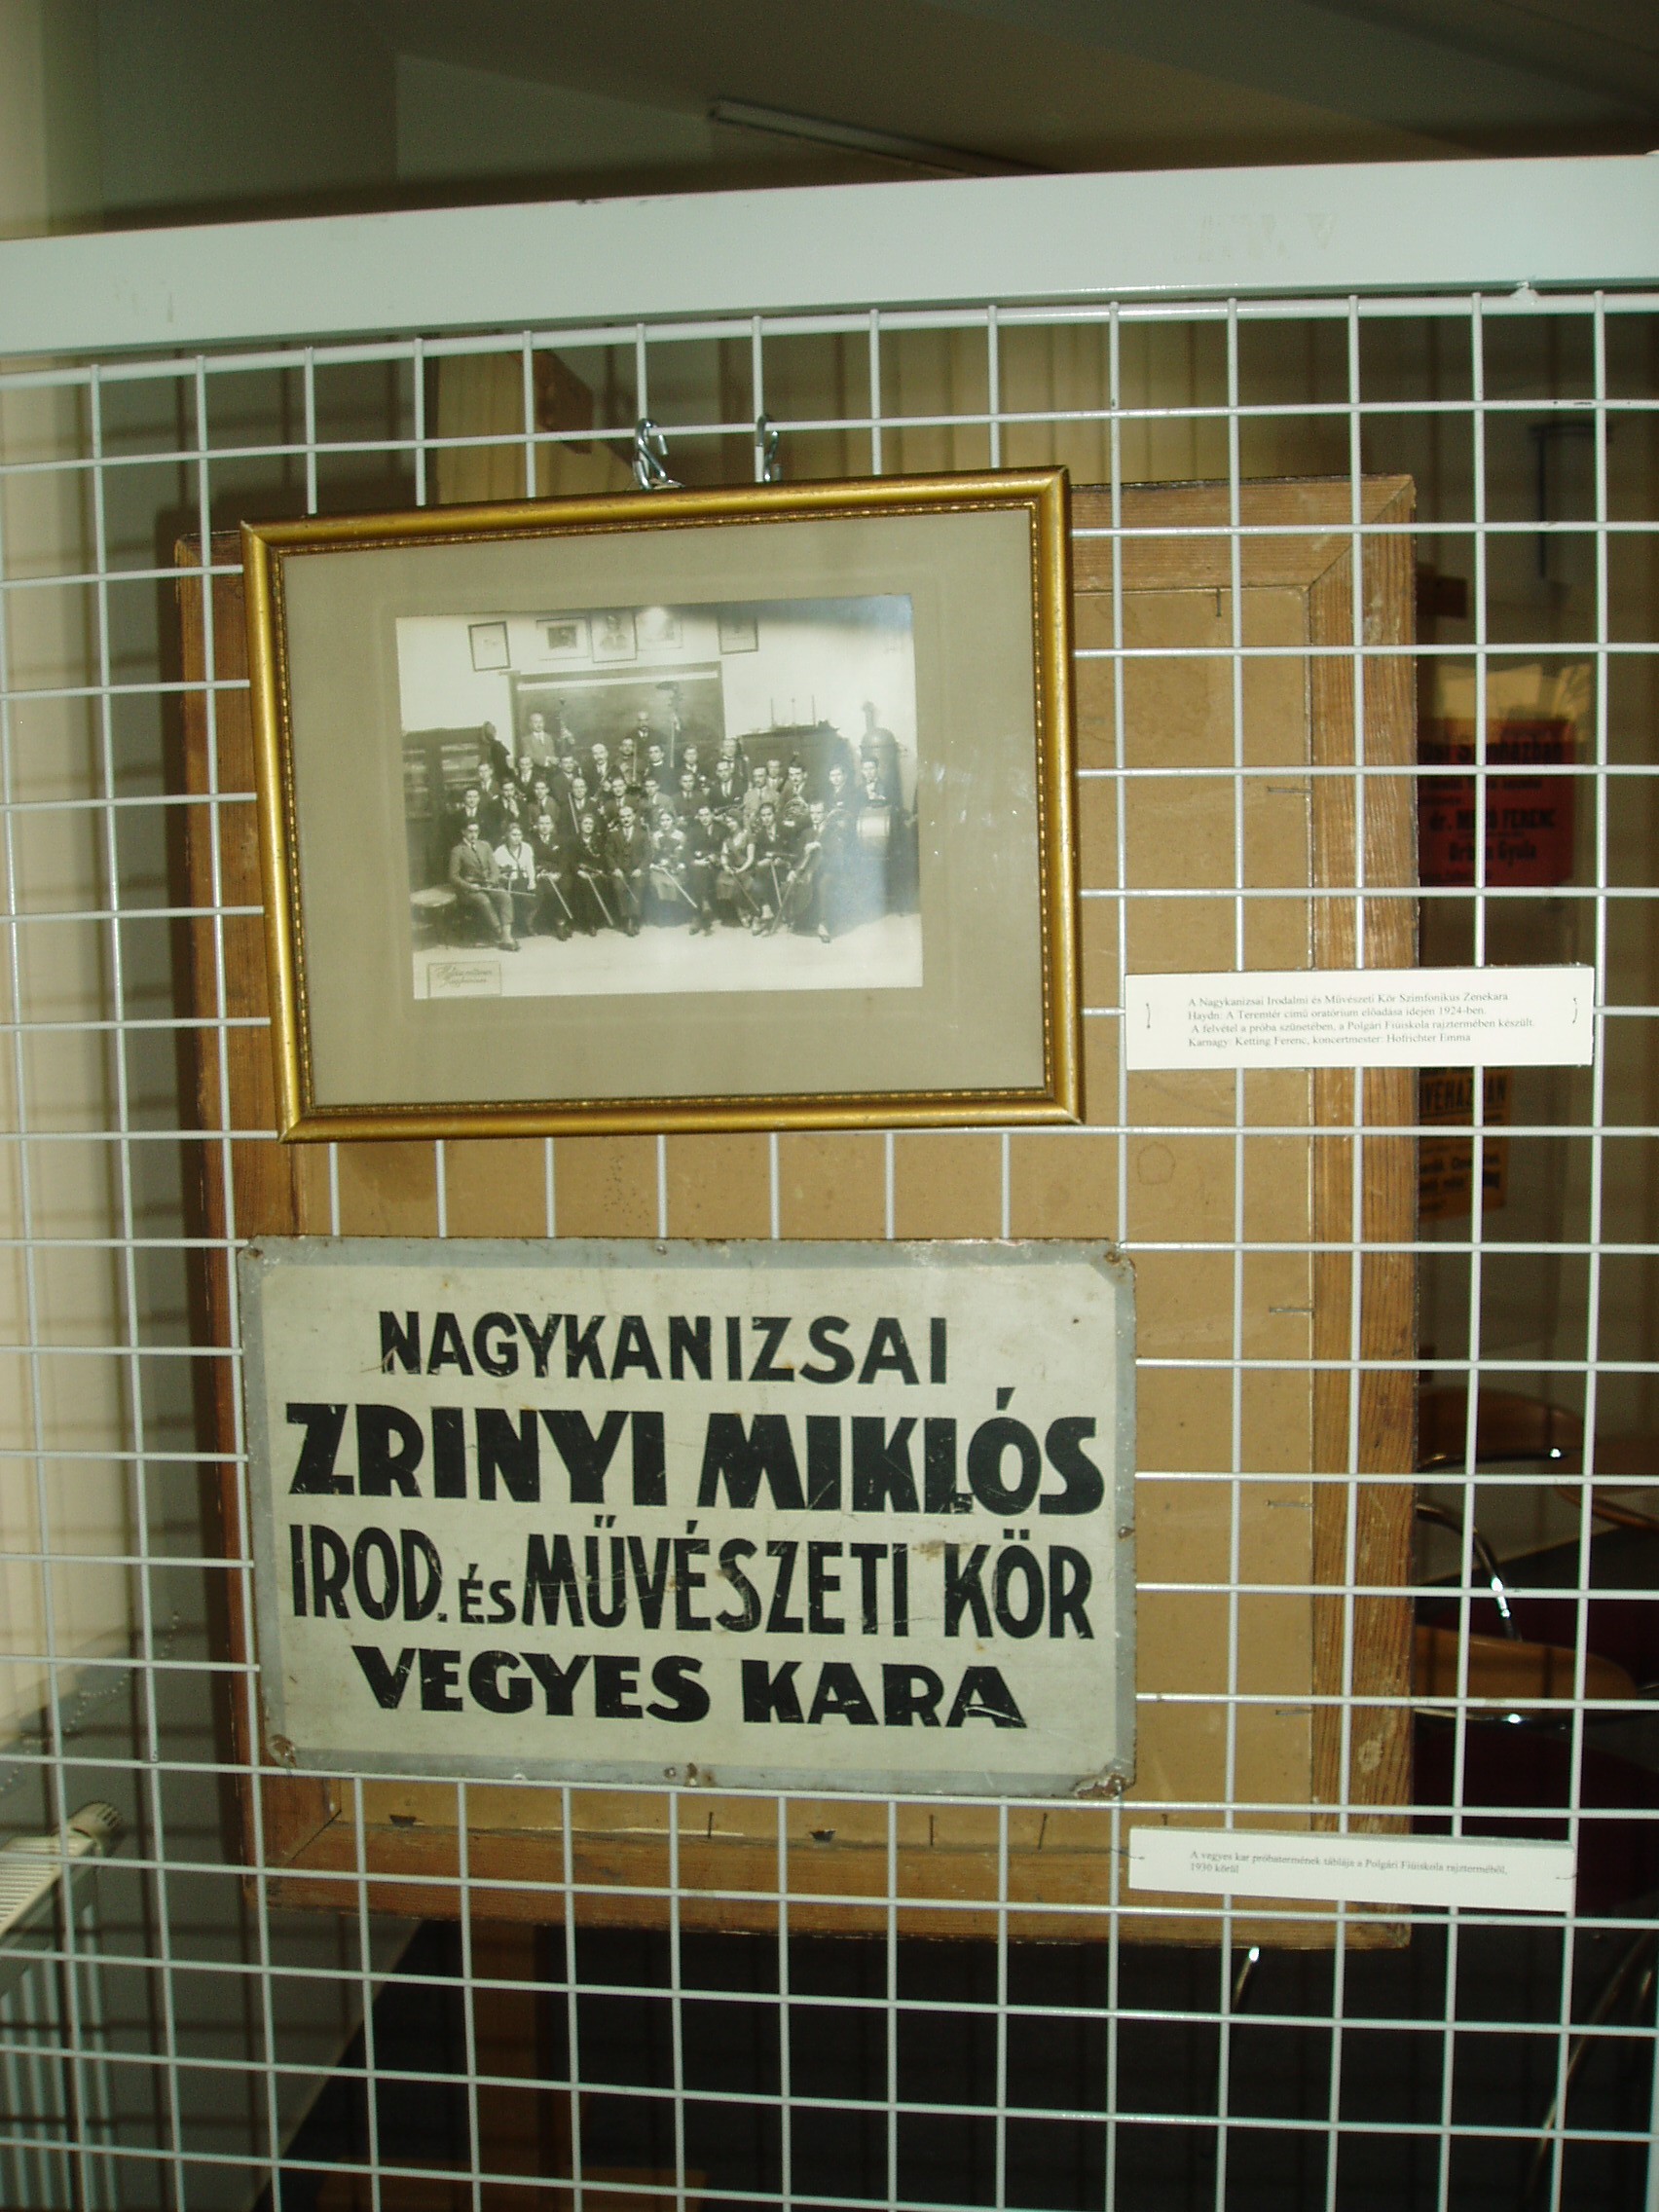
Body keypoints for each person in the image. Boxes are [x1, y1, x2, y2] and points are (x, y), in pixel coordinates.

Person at [448, 821, 517, 950]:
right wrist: (470, 886)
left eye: (476, 831)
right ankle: (501, 934)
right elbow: (453, 877)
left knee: (505, 897)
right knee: (484, 900)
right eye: (470, 831)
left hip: (488, 885)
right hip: (470, 890)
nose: (473, 835)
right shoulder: (457, 850)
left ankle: (507, 935)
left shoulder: (485, 845)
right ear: (463, 832)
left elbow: (494, 869)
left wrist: (492, 881)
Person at [606, 801, 650, 937]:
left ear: (633, 816)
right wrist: (615, 868)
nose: (626, 819)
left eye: (628, 816)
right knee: (619, 886)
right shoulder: (614, 834)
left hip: (637, 870)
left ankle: (634, 919)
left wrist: (640, 869)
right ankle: (627, 919)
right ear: (619, 818)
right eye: (622, 816)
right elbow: (608, 853)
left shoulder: (642, 833)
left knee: (638, 886)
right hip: (620, 870)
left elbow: (648, 854)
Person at [530, 811, 573, 939]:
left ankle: (562, 921)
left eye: (547, 823)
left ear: (552, 825)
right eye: (541, 823)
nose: (544, 826)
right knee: (549, 890)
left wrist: (558, 873)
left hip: (559, 872)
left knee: (565, 887)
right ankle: (556, 923)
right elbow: (532, 860)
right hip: (543, 874)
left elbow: (565, 859)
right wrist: (541, 872)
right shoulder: (532, 841)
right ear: (537, 825)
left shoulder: (560, 840)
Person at [568, 813, 613, 934]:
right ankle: (588, 922)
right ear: (580, 825)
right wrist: (578, 871)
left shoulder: (599, 840)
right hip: (580, 873)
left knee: (600, 884)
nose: (588, 826)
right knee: (585, 886)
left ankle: (595, 920)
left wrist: (600, 870)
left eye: (591, 824)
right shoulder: (574, 840)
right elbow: (571, 860)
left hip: (596, 871)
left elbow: (603, 857)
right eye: (585, 823)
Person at [494, 821, 539, 940]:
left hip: (524, 879)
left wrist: (532, 881)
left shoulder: (527, 847)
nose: (517, 838)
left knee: (537, 894)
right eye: (514, 835)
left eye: (519, 835)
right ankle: (516, 925)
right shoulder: (500, 851)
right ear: (507, 835)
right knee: (518, 896)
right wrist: (503, 874)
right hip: (510, 882)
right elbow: (496, 870)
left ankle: (528, 922)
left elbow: (530, 866)